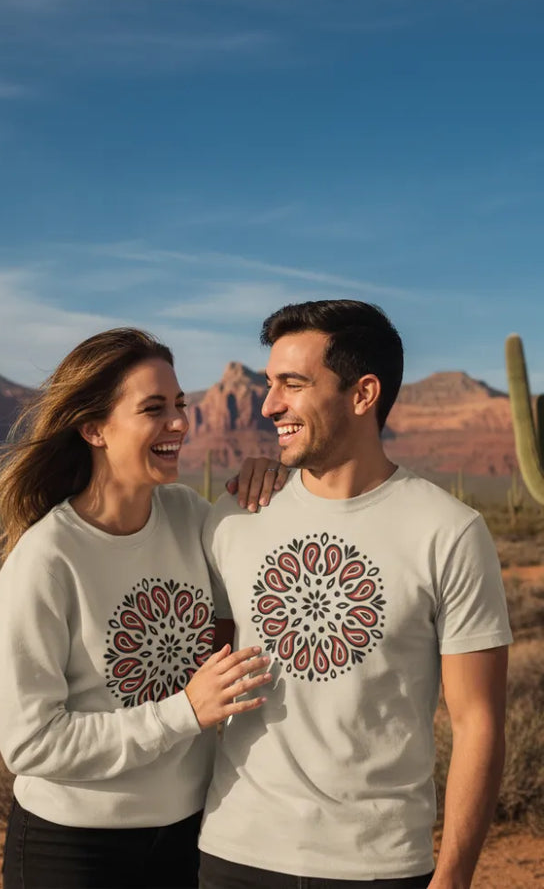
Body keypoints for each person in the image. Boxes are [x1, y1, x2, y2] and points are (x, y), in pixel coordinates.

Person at [198, 300, 512, 889]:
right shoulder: (234, 516)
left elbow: (479, 723)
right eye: (269, 384)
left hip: (379, 865)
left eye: (293, 385)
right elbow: (195, 673)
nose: (268, 405)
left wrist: (453, 878)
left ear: (363, 394)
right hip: (233, 852)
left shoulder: (449, 532)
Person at [0, 327, 286, 889]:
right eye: (153, 409)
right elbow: (30, 741)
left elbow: (249, 599)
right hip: (72, 848)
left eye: (180, 405)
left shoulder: (188, 515)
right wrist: (183, 712)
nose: (179, 423)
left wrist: (278, 484)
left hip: (188, 833)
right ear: (93, 428)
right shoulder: (47, 558)